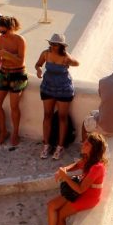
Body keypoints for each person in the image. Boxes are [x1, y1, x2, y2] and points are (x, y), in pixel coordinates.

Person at [39, 132, 108, 225]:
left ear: (94, 149)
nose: (83, 144)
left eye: (87, 144)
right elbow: (77, 164)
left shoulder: (97, 167)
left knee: (61, 215)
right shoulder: (88, 158)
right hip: (79, 190)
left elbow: (81, 189)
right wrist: (65, 169)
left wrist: (65, 177)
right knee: (52, 205)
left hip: (88, 196)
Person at [36, 32, 79, 160]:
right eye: (52, 43)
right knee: (47, 115)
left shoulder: (65, 57)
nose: (53, 46)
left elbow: (77, 63)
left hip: (63, 88)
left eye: (56, 44)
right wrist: (38, 69)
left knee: (62, 117)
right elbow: (38, 64)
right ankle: (46, 144)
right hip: (48, 86)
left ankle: (60, 147)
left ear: (61, 46)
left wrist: (68, 59)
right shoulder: (45, 53)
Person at [0, 15, 27, 146]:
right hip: (4, 73)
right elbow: (0, 59)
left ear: (11, 28)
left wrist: (6, 54)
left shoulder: (20, 40)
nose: (1, 34)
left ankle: (15, 133)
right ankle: (3, 131)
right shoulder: (1, 39)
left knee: (14, 106)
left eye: (4, 31)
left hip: (17, 75)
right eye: (0, 31)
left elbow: (20, 61)